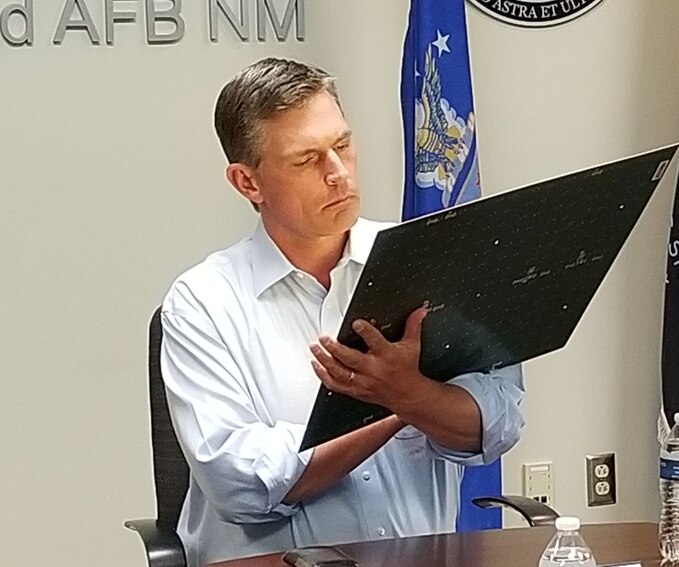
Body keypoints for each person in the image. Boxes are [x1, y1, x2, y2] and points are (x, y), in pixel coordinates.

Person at [161, 57, 525, 567]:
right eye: (306, 159)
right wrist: (399, 404)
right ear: (248, 183)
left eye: (343, 145)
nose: (337, 174)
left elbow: (499, 421)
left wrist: (407, 394)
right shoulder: (203, 302)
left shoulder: (426, 263)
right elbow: (241, 484)